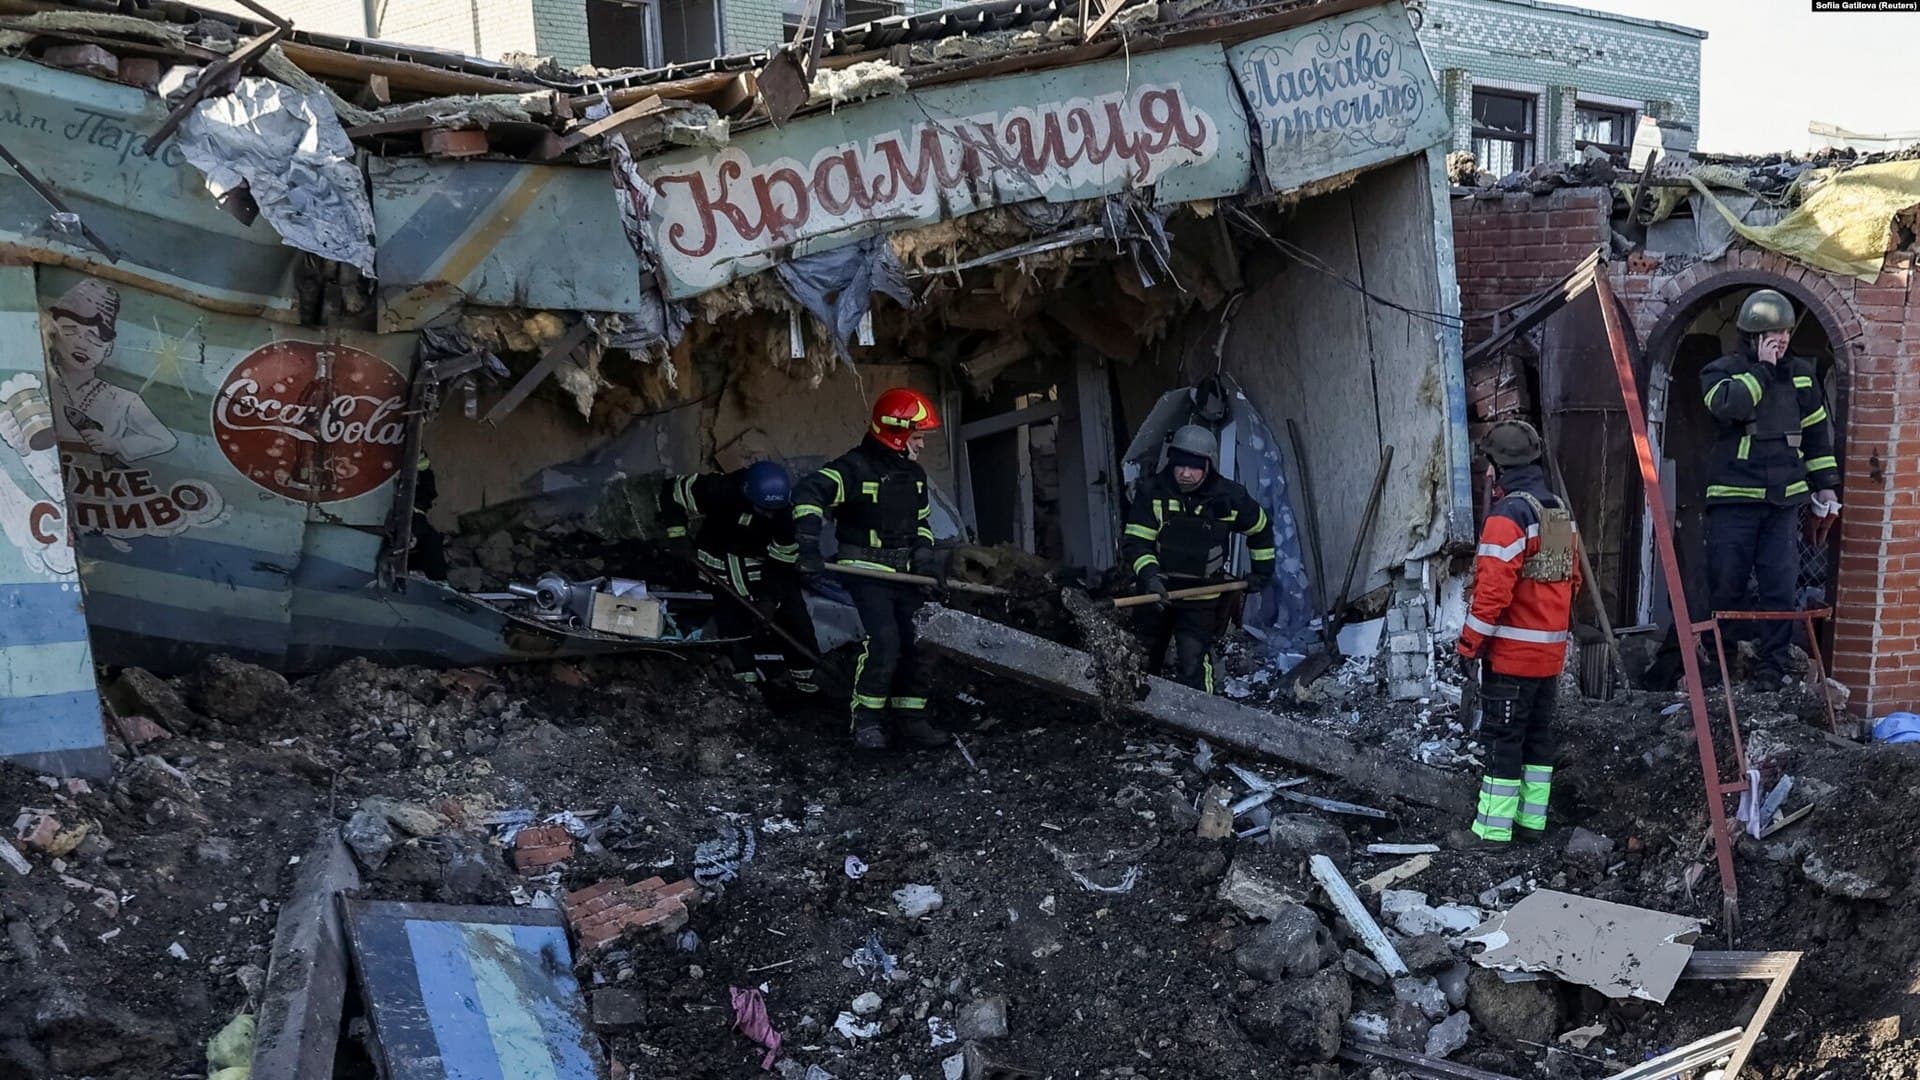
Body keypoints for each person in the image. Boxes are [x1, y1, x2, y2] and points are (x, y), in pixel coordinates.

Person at [1700, 289, 1840, 688]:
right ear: (1753, 335)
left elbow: (1816, 435)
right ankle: (1720, 664)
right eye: (1772, 333)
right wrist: (1763, 369)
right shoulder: (1720, 372)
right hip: (1733, 500)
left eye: (1785, 332)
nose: (1781, 339)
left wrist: (1826, 488)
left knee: (1779, 586)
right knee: (1727, 584)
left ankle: (1772, 669)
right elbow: (1731, 407)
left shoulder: (1801, 374)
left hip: (1783, 502)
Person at [793, 388, 945, 750]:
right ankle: (867, 723)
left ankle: (911, 719)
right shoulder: (854, 468)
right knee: (884, 641)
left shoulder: (915, 476)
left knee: (921, 641)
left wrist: (925, 560)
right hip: (864, 571)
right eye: (917, 436)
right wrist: (808, 547)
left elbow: (921, 525)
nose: (921, 444)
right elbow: (808, 493)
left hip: (906, 573)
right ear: (896, 433)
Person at [1455, 420, 1580, 848]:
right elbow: (1573, 581)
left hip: (1512, 656)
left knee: (1503, 740)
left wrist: (1469, 645)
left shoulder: (1507, 516)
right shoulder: (1556, 510)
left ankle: (1492, 831)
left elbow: (1491, 594)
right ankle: (1531, 824)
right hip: (1549, 657)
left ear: (1496, 467)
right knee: (1538, 739)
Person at [1118, 424, 1275, 694]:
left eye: (1194, 467)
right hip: (1156, 593)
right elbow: (1136, 542)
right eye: (1180, 465)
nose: (1185, 473)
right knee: (1143, 655)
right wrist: (1150, 577)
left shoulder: (1230, 497)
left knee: (1193, 659)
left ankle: (1200, 714)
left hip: (1201, 596)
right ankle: (1138, 711)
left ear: (1209, 465)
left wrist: (1261, 572)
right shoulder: (1152, 492)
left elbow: (1260, 529)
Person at [662, 460, 820, 694]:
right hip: (719, 573)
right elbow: (671, 491)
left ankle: (810, 687)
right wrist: (677, 535)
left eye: (772, 511)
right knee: (733, 630)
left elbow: (781, 564)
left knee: (796, 624)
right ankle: (747, 691)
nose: (768, 514)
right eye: (763, 509)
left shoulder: (787, 516)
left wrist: (768, 600)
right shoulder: (718, 490)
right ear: (747, 492)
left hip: (760, 573)